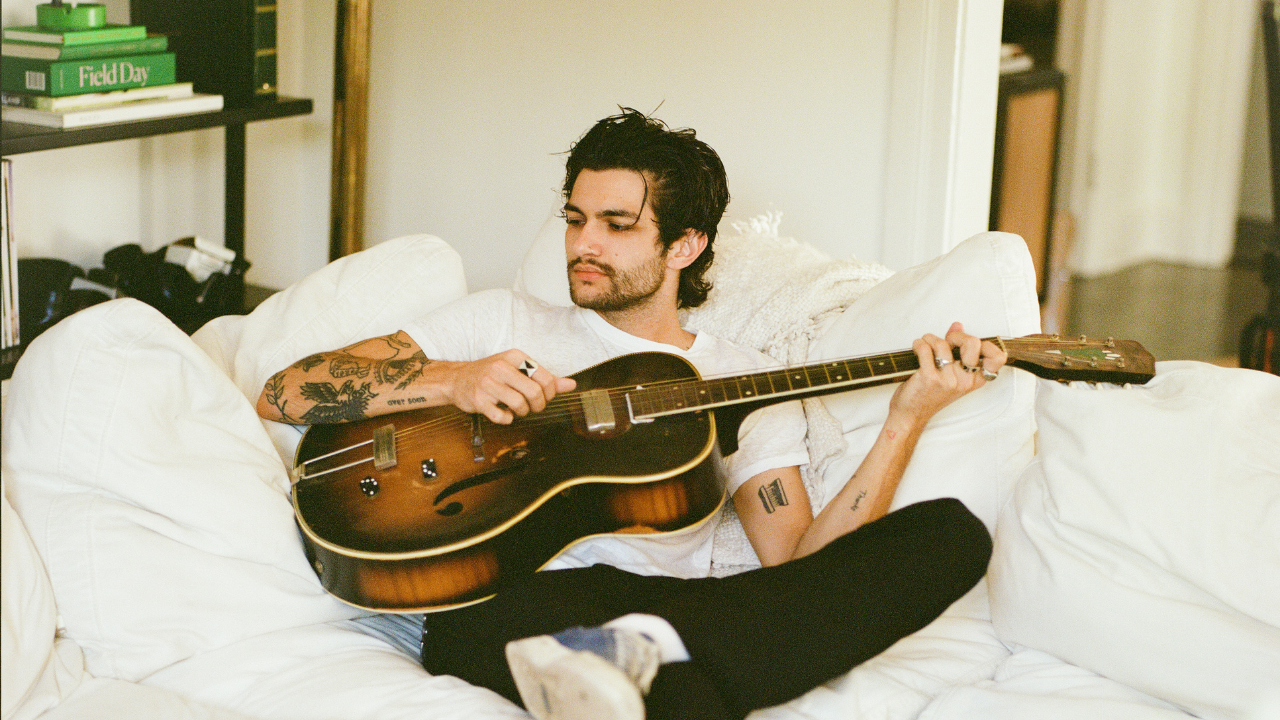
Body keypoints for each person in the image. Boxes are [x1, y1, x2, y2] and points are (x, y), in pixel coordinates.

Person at [256, 109, 1006, 720]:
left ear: (685, 245)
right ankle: (640, 657)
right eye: (576, 218)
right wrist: (451, 380)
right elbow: (286, 391)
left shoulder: (739, 381)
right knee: (681, 690)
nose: (582, 244)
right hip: (510, 600)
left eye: (616, 225)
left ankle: (642, 653)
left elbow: (797, 570)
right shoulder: (499, 321)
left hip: (670, 604)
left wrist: (908, 416)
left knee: (950, 536)